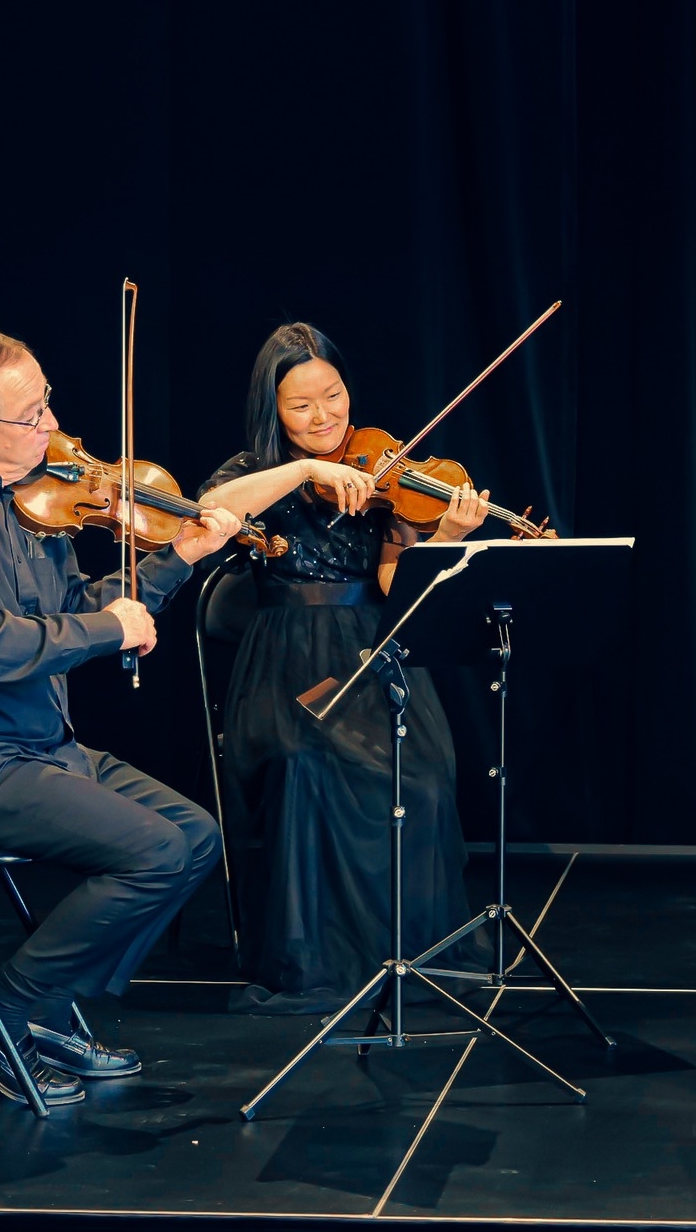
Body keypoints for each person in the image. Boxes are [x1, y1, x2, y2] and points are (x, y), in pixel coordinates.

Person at [0, 325, 240, 1107]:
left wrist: (175, 562)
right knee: (155, 851)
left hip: (33, 743)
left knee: (195, 835)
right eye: (32, 417)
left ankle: (42, 1014)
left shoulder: (21, 498)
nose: (52, 427)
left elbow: (68, 609)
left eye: (47, 403)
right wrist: (108, 629)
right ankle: (0, 1017)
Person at [198, 323, 487, 1015]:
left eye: (333, 395)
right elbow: (206, 517)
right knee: (303, 765)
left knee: (421, 774)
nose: (325, 417)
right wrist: (304, 471)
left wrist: (443, 537)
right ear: (274, 412)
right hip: (284, 655)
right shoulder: (249, 475)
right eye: (302, 405)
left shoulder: (382, 471)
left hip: (371, 648)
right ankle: (312, 959)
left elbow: (394, 588)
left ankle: (407, 948)